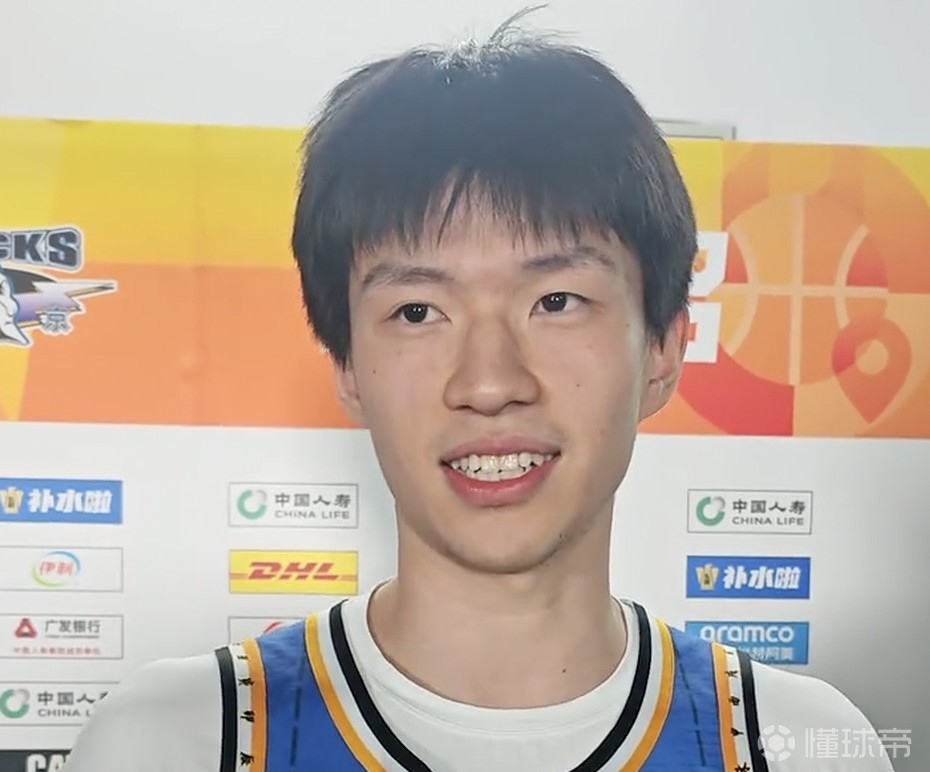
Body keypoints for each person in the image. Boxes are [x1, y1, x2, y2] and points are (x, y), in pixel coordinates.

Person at [64, 12, 895, 772]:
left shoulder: (795, 746)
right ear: (347, 366)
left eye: (556, 301)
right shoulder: (176, 742)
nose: (490, 383)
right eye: (417, 311)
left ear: (664, 348)